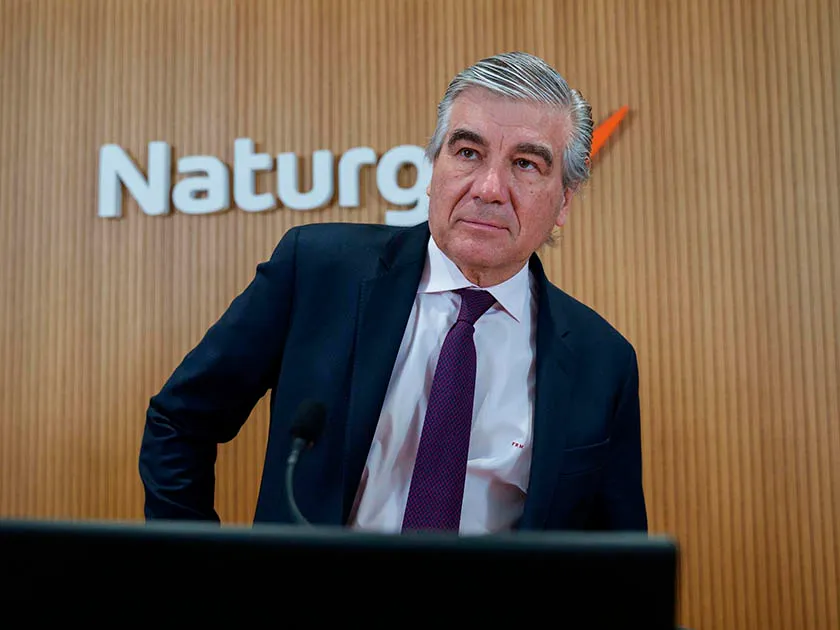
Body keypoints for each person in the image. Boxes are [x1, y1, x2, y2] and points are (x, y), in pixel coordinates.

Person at [139, 51, 647, 534]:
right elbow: (178, 422)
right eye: (468, 153)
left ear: (564, 201)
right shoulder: (316, 271)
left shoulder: (603, 361)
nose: (489, 188)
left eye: (526, 164)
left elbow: (618, 552)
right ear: (433, 169)